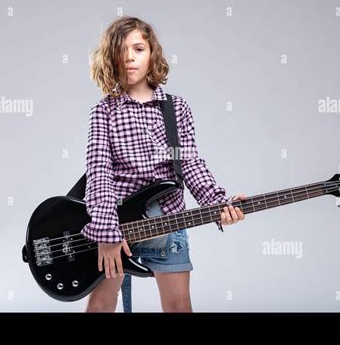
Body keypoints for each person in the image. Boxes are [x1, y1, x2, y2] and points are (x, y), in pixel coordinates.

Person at [81, 16, 246, 313]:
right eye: (121, 50)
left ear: (152, 54)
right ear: (110, 58)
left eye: (139, 48)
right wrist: (106, 235)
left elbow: (191, 165)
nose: (130, 57)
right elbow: (99, 174)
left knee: (179, 306)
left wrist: (220, 206)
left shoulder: (176, 108)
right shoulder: (103, 112)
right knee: (101, 304)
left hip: (169, 223)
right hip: (118, 228)